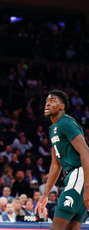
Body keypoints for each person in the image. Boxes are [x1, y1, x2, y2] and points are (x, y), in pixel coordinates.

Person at [36, 90, 89, 230]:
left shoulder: (66, 123)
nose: (47, 103)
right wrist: (45, 195)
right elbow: (55, 165)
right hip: (73, 177)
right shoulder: (53, 128)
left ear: (62, 106)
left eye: (52, 101)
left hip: (79, 175)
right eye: (47, 101)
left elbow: (85, 151)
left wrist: (88, 188)